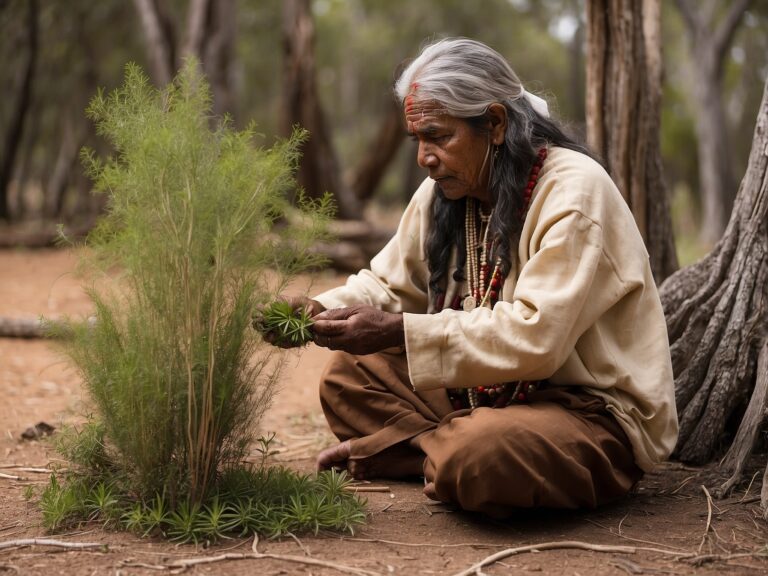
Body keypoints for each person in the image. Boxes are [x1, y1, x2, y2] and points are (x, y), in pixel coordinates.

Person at [266, 37, 678, 517]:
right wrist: (319, 309)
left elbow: (537, 338)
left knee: (484, 453)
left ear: (496, 124)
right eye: (417, 139)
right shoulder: (444, 192)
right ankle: (441, 456)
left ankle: (441, 453)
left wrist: (399, 331)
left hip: (587, 413)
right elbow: (389, 285)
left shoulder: (573, 192)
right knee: (348, 376)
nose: (424, 156)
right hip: (487, 399)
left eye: (439, 136)